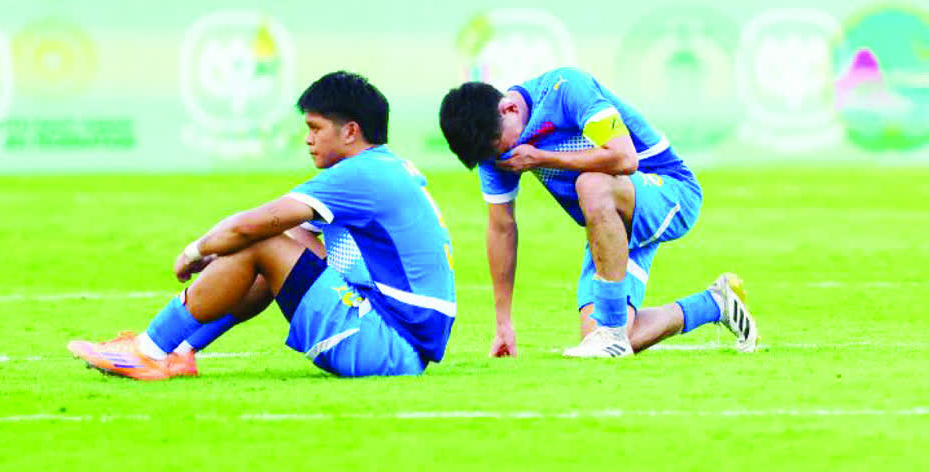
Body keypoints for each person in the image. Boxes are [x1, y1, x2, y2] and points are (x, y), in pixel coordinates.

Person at [68, 71, 456, 380]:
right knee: (288, 241)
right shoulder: (385, 167)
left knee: (263, 243)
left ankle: (146, 353)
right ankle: (179, 351)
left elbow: (251, 226)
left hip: (386, 344)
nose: (308, 140)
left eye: (316, 128)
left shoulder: (359, 175)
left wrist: (196, 251)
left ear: (351, 131)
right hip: (398, 340)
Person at [438, 68, 758, 358]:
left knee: (591, 184)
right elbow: (501, 228)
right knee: (595, 338)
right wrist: (503, 323)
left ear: (508, 108)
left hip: (670, 191)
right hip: (611, 223)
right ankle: (716, 303)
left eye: (499, 146)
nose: (501, 156)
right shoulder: (493, 150)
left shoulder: (566, 89)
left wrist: (541, 157)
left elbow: (624, 158)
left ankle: (613, 333)